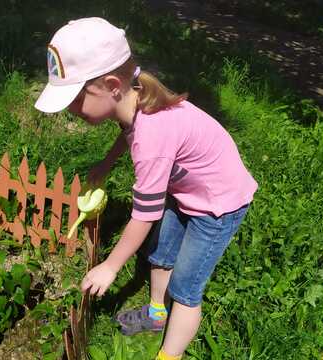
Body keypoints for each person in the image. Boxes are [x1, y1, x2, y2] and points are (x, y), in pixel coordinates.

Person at [34, 17, 258, 360]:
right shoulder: (134, 100)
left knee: (185, 288)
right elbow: (128, 133)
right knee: (160, 253)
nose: (71, 109)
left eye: (76, 98)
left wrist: (110, 266)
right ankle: (156, 314)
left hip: (217, 205)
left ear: (111, 85)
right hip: (187, 192)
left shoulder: (154, 137)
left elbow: (145, 213)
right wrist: (107, 163)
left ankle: (169, 355)